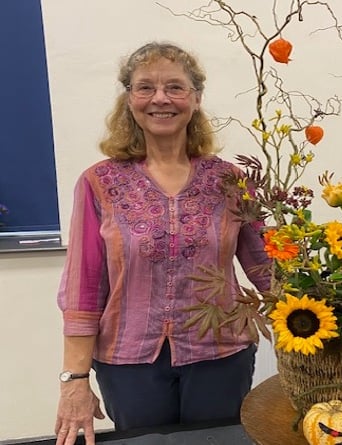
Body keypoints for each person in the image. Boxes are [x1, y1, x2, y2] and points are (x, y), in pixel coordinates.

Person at [54, 41, 272, 445]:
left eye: (175, 87)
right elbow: (84, 289)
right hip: (128, 364)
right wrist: (75, 381)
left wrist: (323, 328)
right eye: (145, 88)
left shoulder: (230, 180)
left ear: (196, 98)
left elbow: (268, 268)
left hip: (221, 356)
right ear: (129, 99)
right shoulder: (99, 183)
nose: (160, 99)